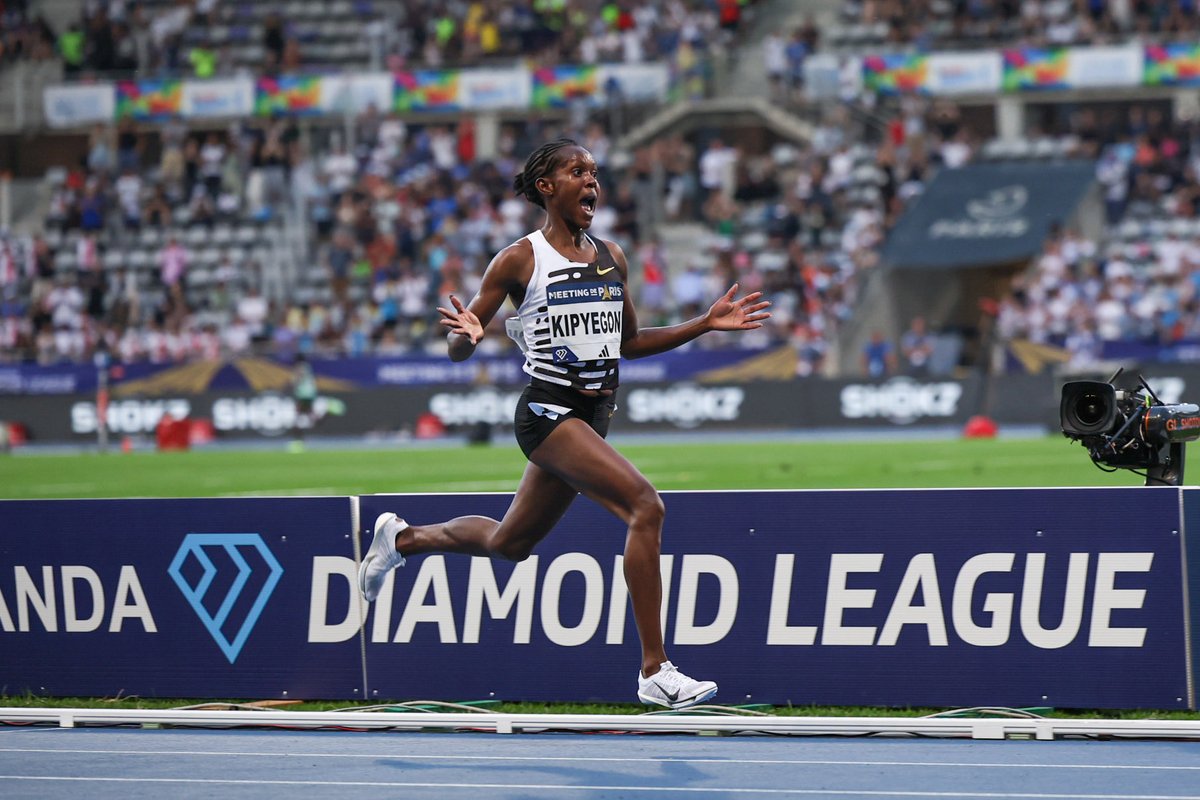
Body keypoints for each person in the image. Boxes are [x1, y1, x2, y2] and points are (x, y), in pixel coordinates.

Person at [358, 138, 770, 709]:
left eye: (595, 173)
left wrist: (703, 323)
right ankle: (656, 669)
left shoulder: (611, 257)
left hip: (592, 418)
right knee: (645, 506)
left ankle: (402, 539)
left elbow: (629, 343)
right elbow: (462, 340)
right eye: (578, 172)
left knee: (509, 544)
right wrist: (465, 339)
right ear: (547, 187)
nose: (592, 183)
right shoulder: (518, 260)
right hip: (548, 412)